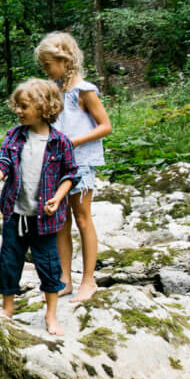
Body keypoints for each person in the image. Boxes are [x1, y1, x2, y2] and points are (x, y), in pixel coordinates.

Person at [0, 79, 79, 337]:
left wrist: (57, 198)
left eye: (24, 106)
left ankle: (51, 314)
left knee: (49, 264)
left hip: (45, 219)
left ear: (44, 107)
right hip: (15, 214)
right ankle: (8, 307)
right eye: (17, 106)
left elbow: (70, 175)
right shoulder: (14, 136)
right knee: (9, 261)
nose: (18, 111)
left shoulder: (61, 142)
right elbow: (4, 164)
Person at [35, 31, 112, 303]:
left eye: (48, 65)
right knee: (61, 222)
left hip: (81, 164)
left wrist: (76, 141)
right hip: (58, 165)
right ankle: (64, 279)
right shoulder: (55, 91)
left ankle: (89, 280)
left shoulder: (84, 91)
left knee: (82, 218)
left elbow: (106, 126)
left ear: (64, 60)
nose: (46, 70)